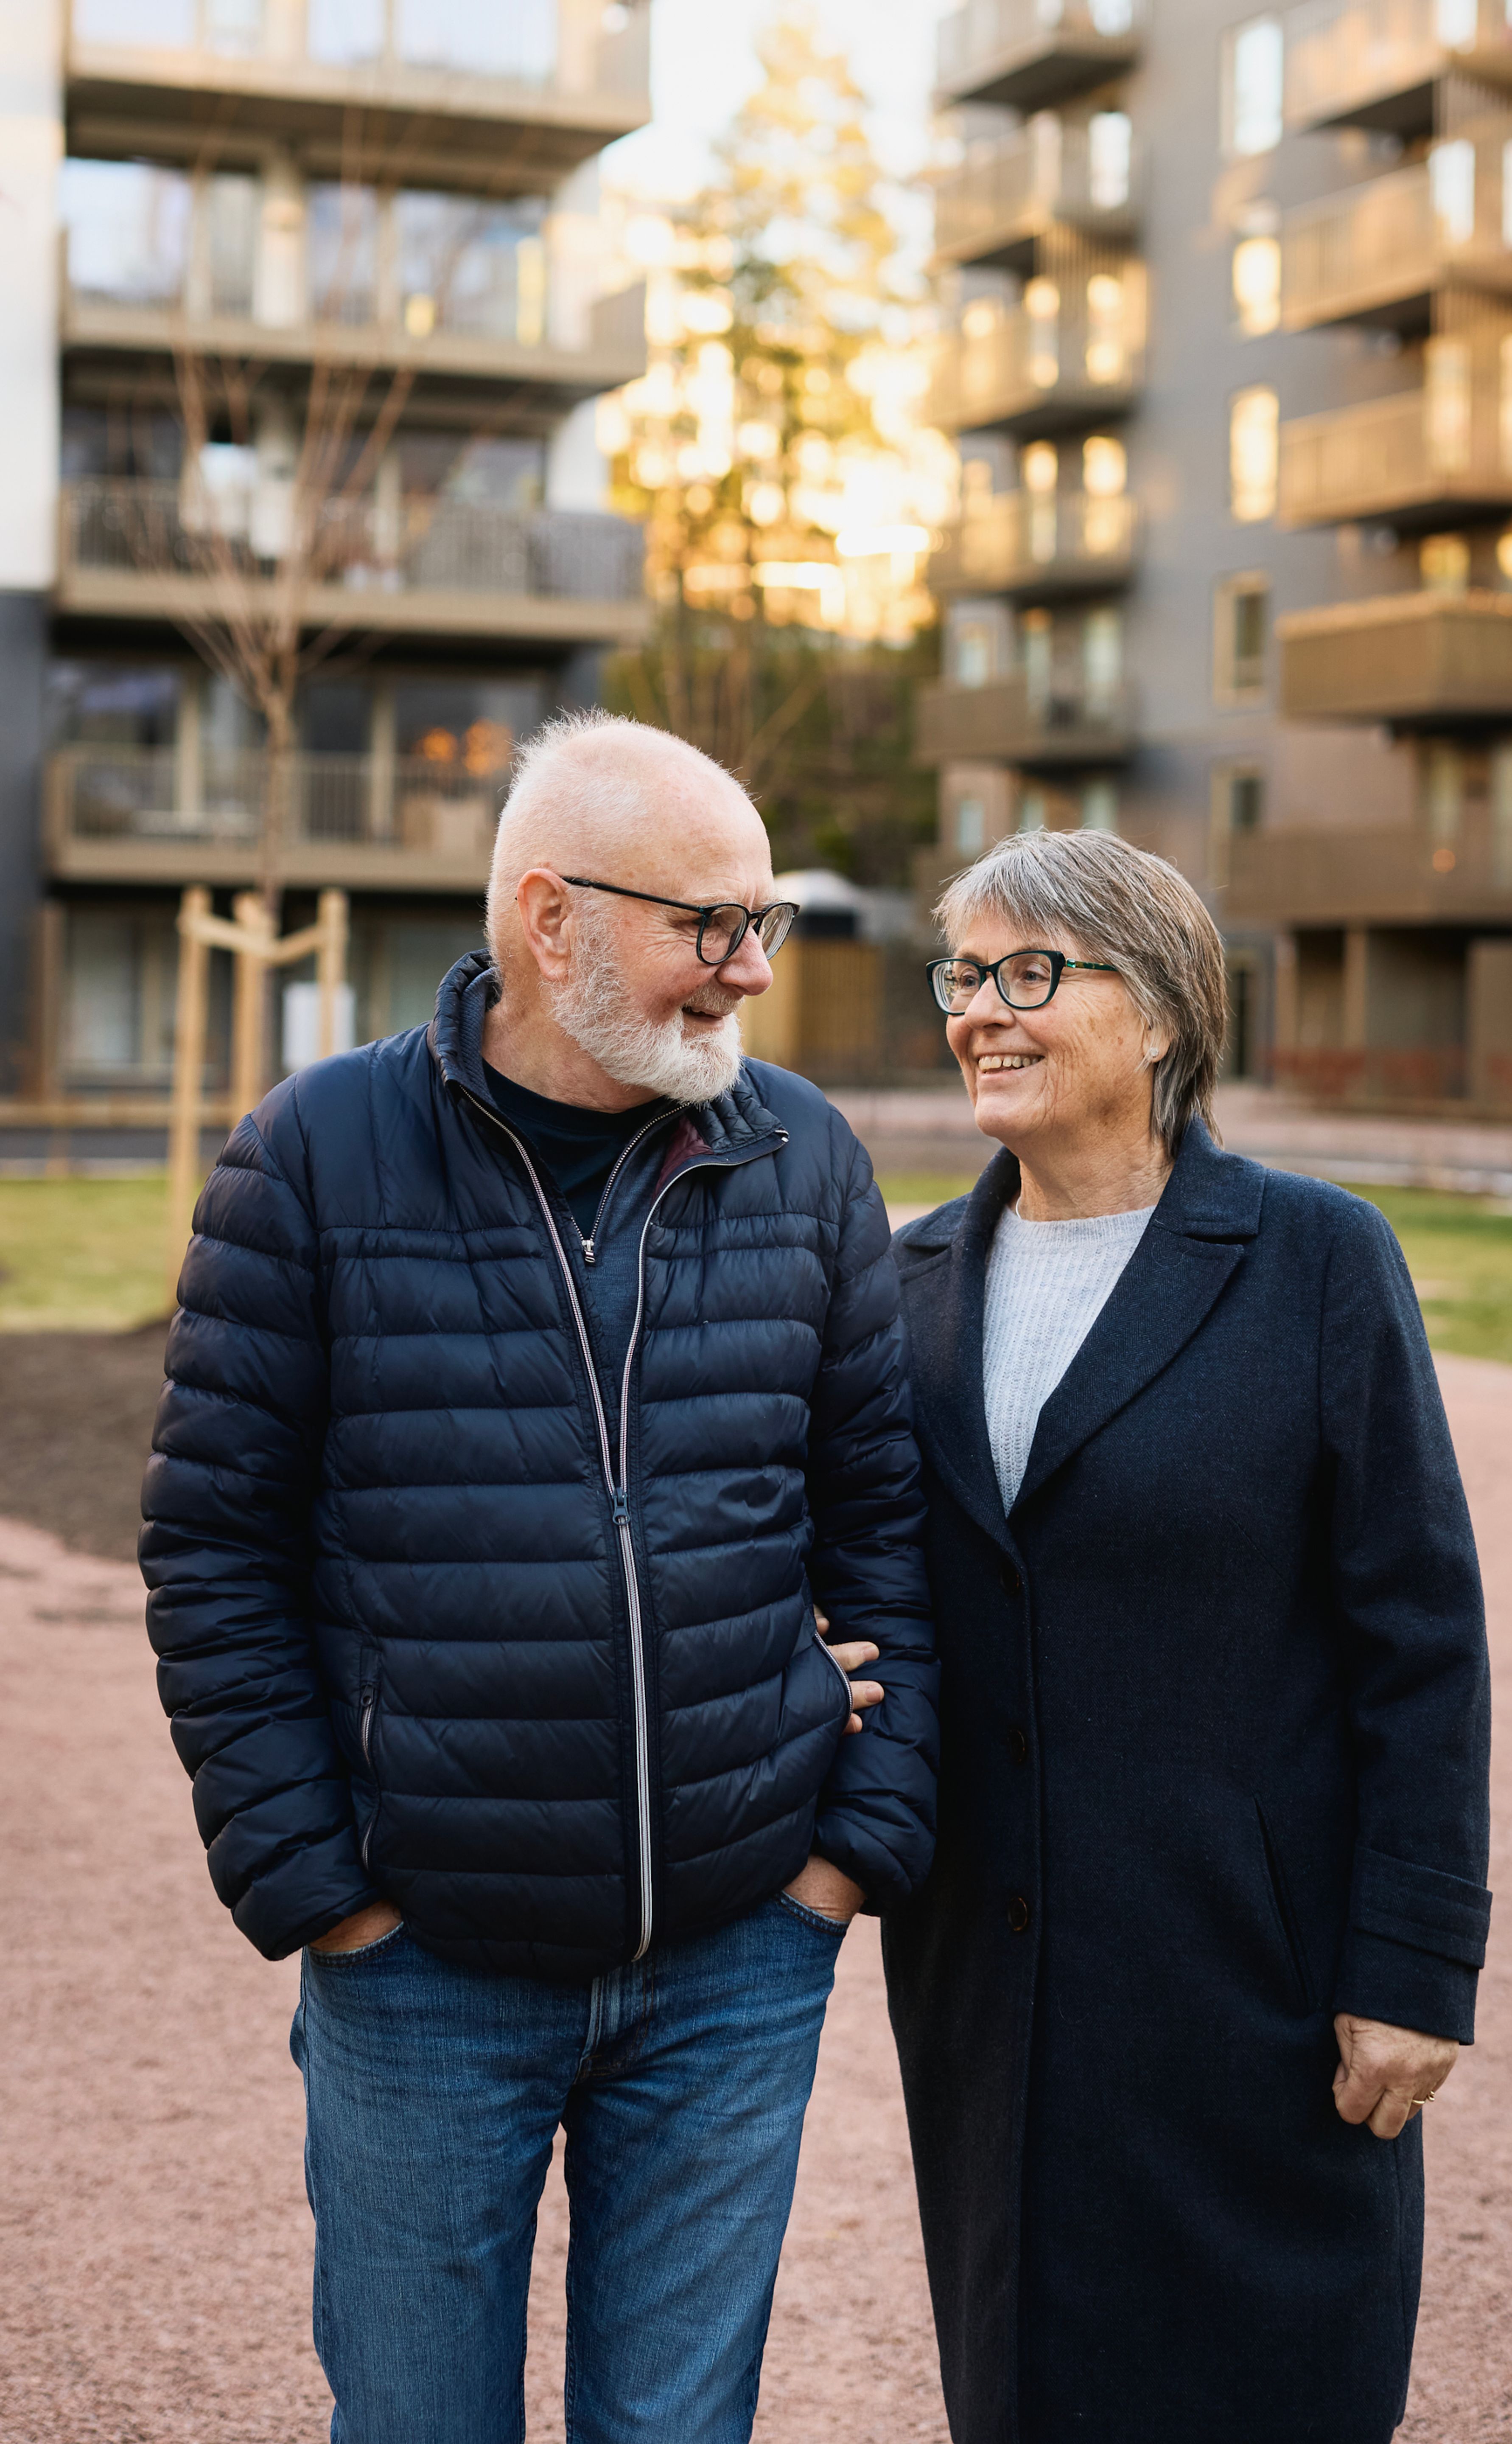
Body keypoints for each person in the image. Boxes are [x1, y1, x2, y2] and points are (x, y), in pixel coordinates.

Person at [139, 710, 938, 2444]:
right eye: (707, 925)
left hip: (738, 1958)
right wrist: (322, 1892)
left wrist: (844, 1858)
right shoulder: (314, 1155)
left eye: (762, 921)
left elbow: (882, 1516)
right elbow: (213, 1547)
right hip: (421, 1967)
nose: (750, 972)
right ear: (548, 916)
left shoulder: (805, 1157)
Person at [884, 828, 1491, 2444]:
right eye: (963, 976)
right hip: (989, 1987)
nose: (980, 1012)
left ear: (1158, 1014)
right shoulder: (906, 1283)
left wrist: (1416, 1964)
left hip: (1250, 1980)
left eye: (1030, 974)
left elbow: (1421, 1634)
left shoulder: (1317, 1260)